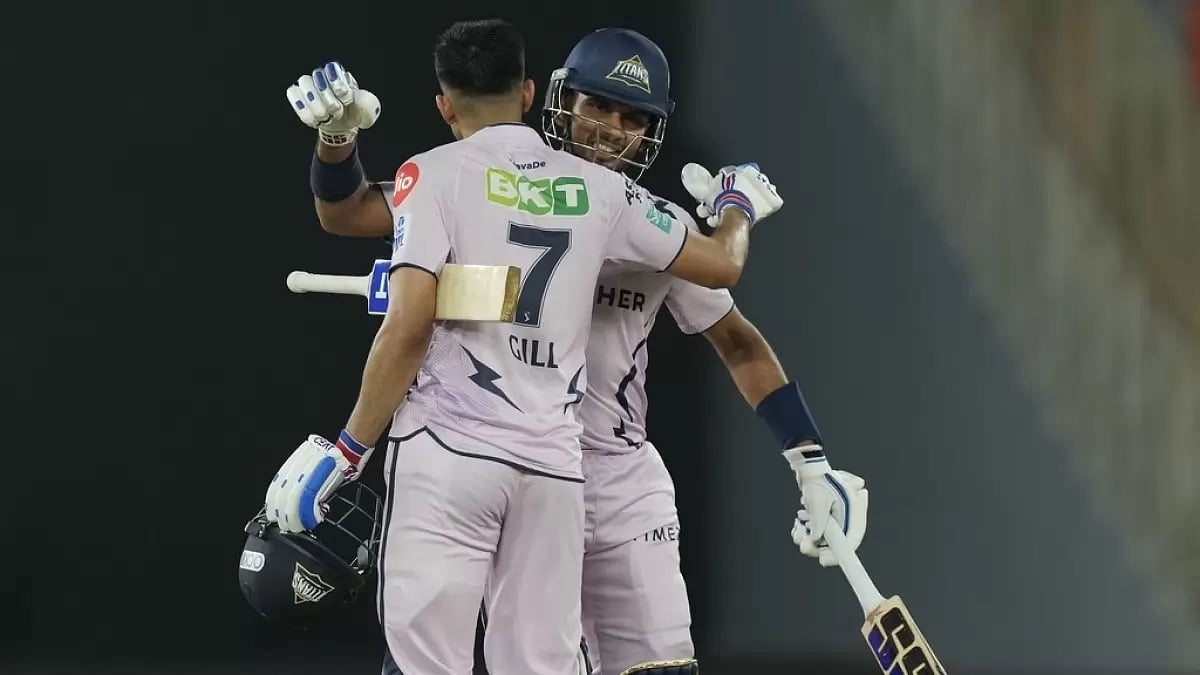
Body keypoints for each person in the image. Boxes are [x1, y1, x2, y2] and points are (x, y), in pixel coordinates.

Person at [268, 19, 785, 675]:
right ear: (533, 93)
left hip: (454, 448)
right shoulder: (609, 194)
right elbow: (723, 263)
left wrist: (347, 450)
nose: (610, 129)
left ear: (444, 107)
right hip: (553, 467)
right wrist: (736, 206)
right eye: (600, 107)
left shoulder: (434, 174)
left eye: (630, 116)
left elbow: (375, 265)